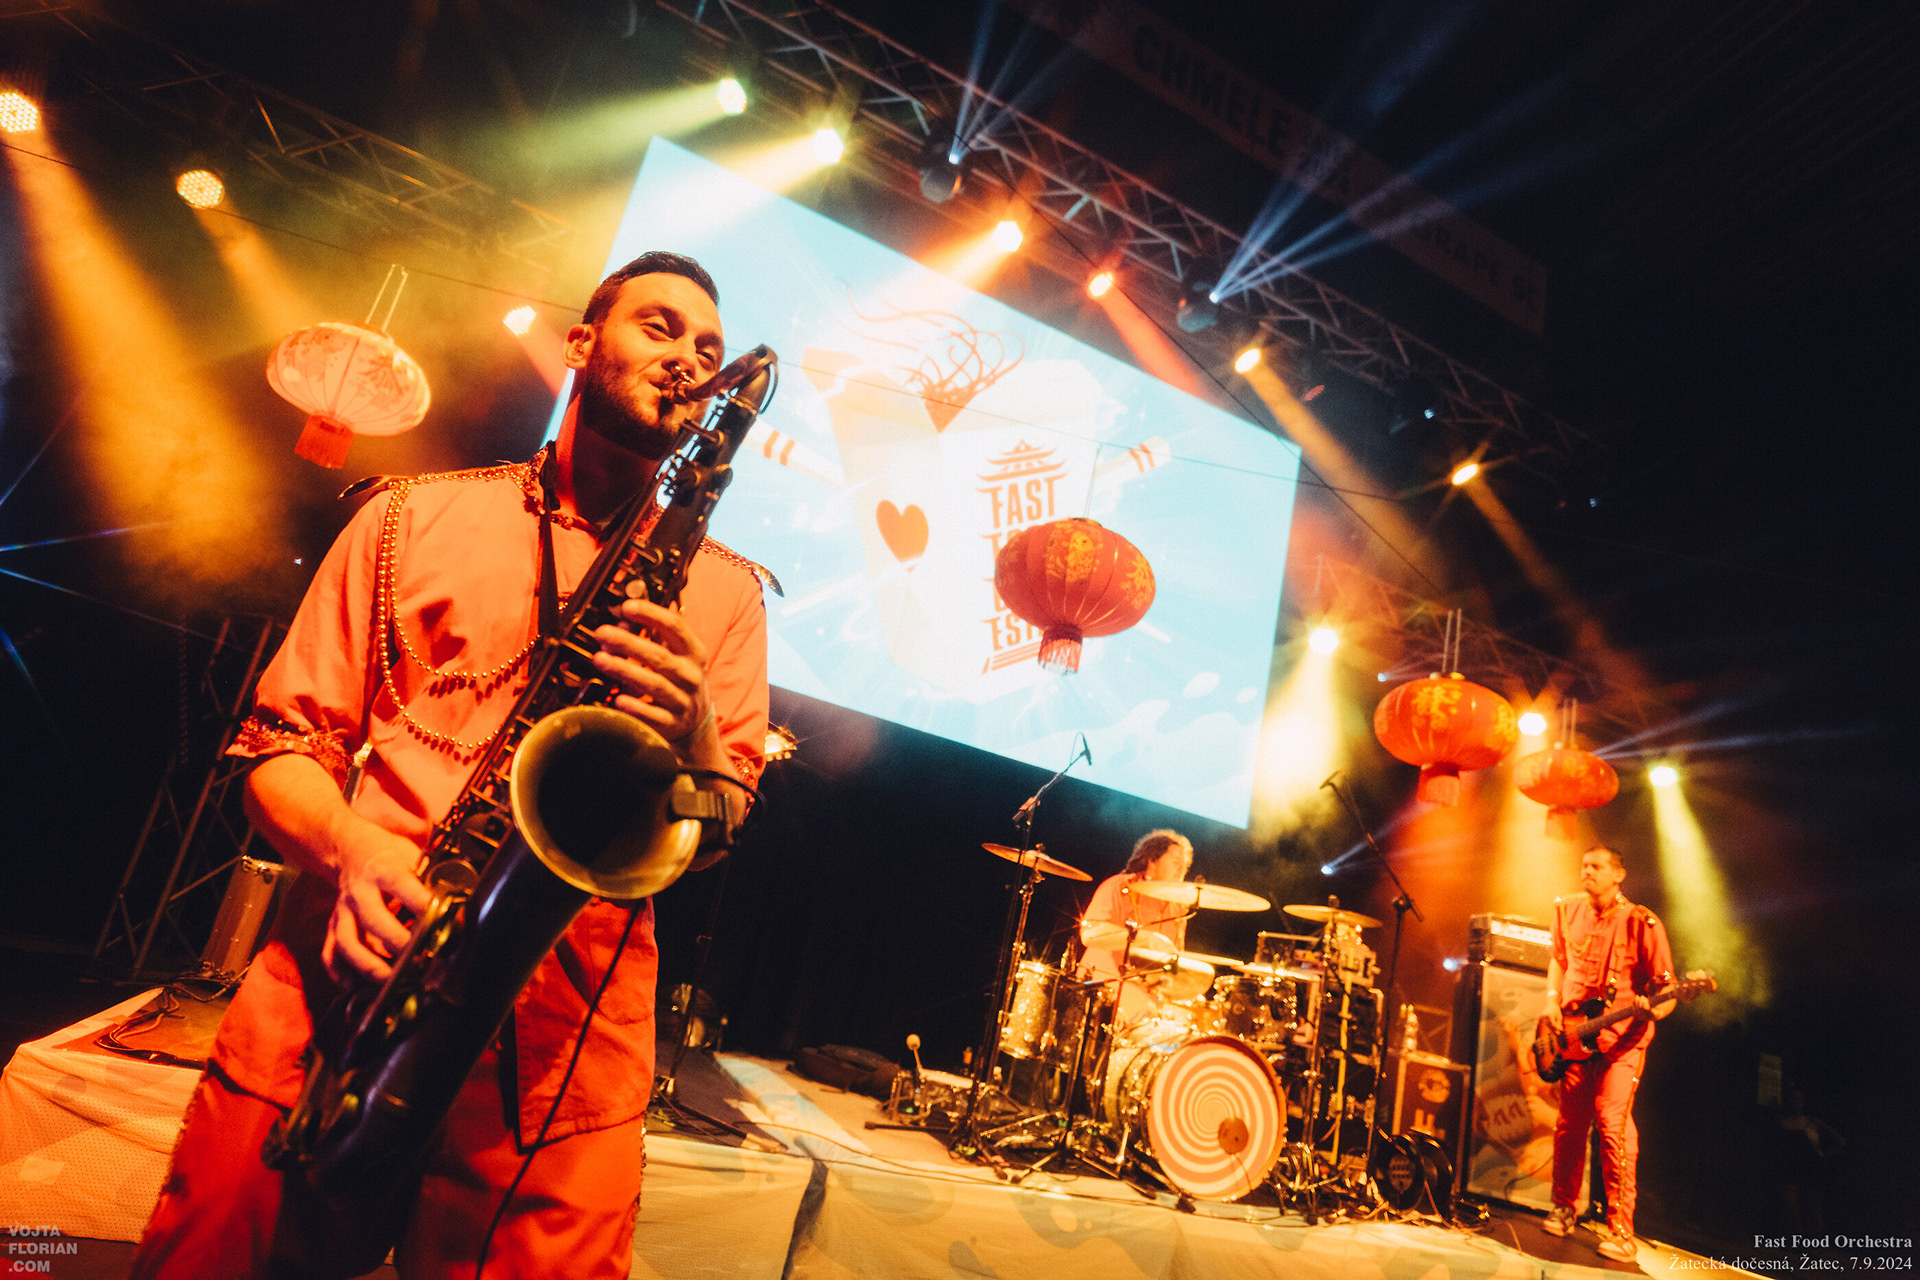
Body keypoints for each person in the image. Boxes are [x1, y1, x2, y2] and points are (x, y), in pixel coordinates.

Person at [130, 251, 771, 1280]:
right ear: (580, 343)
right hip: (349, 980)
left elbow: (719, 824)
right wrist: (353, 849)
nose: (689, 356)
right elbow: (274, 751)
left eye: (708, 345)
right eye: (659, 326)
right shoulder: (406, 515)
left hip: (565, 1049)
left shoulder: (727, 594)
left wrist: (696, 734)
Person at [1539, 845, 1675, 1262]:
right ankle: (1564, 1208)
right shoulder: (1566, 911)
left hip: (1624, 1040)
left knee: (1612, 1125)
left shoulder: (1642, 922)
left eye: (1596, 867)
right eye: (1584, 866)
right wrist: (1550, 1001)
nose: (1587, 872)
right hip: (1575, 1035)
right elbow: (1558, 961)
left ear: (1619, 874)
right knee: (1569, 1125)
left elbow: (1668, 990)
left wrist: (1654, 1009)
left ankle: (1621, 1232)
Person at [1077, 829, 1196, 1030]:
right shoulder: (1119, 886)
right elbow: (1091, 934)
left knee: (1188, 1022)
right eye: (1176, 862)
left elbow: (1173, 963)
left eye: (1185, 865)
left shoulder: (1178, 908)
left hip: (1148, 992)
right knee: (1147, 1012)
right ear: (1152, 861)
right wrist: (1145, 939)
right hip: (1103, 981)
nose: (1181, 869)